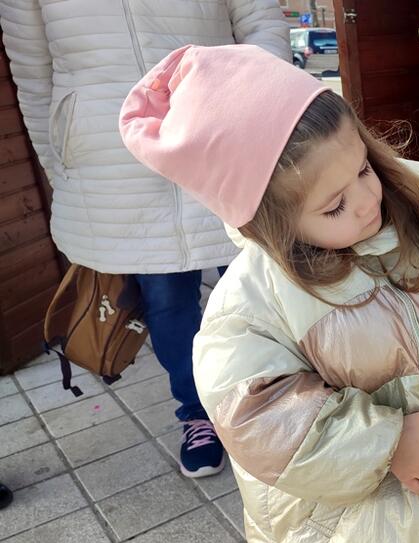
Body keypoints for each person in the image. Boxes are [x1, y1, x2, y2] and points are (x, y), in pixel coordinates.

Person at [119, 44, 419, 543]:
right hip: (342, 537)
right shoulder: (255, 299)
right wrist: (386, 443)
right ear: (270, 222)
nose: (368, 202)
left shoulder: (406, 238)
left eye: (364, 170)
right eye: (334, 205)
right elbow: (256, 414)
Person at [0, 1, 291, 479]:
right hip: (111, 153)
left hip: (218, 130)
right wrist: (64, 163)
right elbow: (34, 73)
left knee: (263, 281)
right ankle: (199, 414)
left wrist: (253, 102)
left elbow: (259, 18)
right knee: (166, 300)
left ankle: (281, 401)